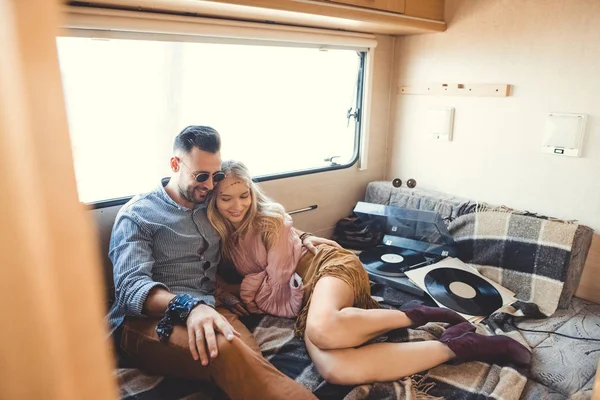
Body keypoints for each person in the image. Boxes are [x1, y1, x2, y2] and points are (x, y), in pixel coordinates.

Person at [207, 160, 533, 386]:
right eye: (226, 199)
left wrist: (246, 292)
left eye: (244, 195)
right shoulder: (217, 235)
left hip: (326, 266)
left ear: (252, 191)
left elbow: (276, 281)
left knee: (323, 331)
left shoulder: (270, 218)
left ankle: (422, 314)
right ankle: (463, 347)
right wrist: (224, 292)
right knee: (335, 369)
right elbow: (218, 276)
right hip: (304, 294)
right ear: (213, 200)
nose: (238, 205)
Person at [108, 126, 333, 400]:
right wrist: (189, 306)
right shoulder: (138, 215)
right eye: (201, 175)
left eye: (216, 176)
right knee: (227, 351)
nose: (210, 184)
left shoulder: (212, 203)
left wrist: (302, 237)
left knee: (247, 359)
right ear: (175, 164)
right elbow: (130, 289)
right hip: (146, 321)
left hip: (211, 307)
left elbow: (257, 219)